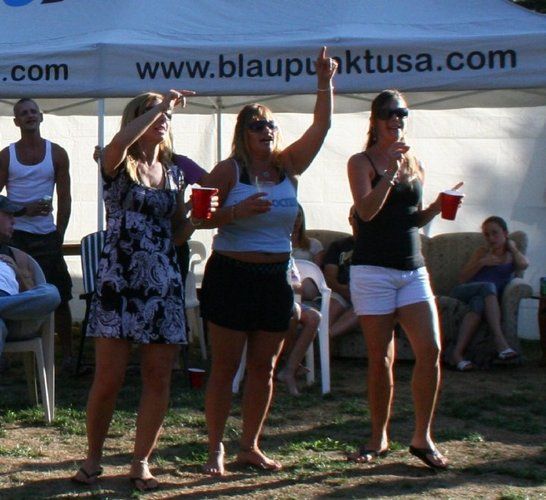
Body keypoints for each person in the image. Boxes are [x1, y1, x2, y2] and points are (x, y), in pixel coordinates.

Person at [198, 46, 337, 476]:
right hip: (232, 276)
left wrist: (324, 83)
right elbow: (196, 218)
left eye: (271, 125)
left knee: (265, 367)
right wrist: (235, 212)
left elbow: (322, 127)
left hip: (275, 277)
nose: (267, 131)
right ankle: (215, 449)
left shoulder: (287, 167)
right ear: (243, 134)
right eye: (258, 125)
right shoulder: (229, 171)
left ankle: (250, 446)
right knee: (225, 368)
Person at [72, 89, 201, 492]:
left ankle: (141, 461)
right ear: (135, 119)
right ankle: (93, 459)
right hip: (119, 283)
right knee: (108, 378)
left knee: (158, 377)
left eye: (166, 115)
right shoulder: (116, 162)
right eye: (151, 113)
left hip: (162, 284)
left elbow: (175, 235)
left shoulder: (174, 172)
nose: (162, 119)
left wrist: (196, 220)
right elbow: (117, 144)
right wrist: (161, 105)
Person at [347, 89, 458, 470]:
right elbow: (366, 211)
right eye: (389, 113)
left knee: (431, 350)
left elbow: (411, 218)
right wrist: (390, 173)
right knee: (381, 358)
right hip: (373, 270)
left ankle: (422, 437)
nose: (396, 119)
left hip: (412, 269)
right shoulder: (361, 162)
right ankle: (378, 436)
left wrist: (436, 207)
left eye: (402, 114)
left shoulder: (414, 161)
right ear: (375, 120)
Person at [0, 98, 74, 373]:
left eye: (33, 111)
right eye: (24, 113)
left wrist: (59, 233)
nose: (30, 116)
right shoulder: (6, 155)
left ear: (41, 117)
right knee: (12, 291)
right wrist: (22, 210)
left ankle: (67, 357)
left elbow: (65, 198)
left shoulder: (57, 153)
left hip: (46, 235)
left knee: (61, 295)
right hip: (15, 236)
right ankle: (10, 354)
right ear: (16, 121)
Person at [448, 216, 528, 371]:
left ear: (505, 233)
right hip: (465, 291)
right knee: (488, 286)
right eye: (487, 234)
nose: (491, 238)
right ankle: (500, 342)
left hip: (484, 298)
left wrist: (513, 247)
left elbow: (524, 265)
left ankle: (457, 355)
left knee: (478, 304)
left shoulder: (511, 255)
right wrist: (482, 263)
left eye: (495, 233)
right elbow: (462, 279)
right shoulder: (482, 252)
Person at [0, 195, 60, 359]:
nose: (14, 222)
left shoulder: (18, 256)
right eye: (9, 215)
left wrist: (19, 274)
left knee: (51, 293)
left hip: (14, 316)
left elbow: (31, 294)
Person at [276, 258, 322, 396]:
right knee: (291, 314)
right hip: (264, 303)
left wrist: (289, 284)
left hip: (287, 301)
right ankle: (290, 364)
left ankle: (289, 370)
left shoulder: (287, 257)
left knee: (314, 317)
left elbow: (297, 284)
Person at [322, 206, 359, 338]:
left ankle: (326, 336)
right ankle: (323, 337)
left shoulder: (377, 246)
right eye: (356, 216)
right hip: (341, 291)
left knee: (366, 305)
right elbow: (330, 278)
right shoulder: (339, 246)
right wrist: (344, 290)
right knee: (331, 305)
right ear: (350, 220)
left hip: (366, 294)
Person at [291, 203, 324, 300]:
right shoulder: (278, 245)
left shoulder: (314, 244)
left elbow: (317, 272)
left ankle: (295, 304)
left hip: (307, 283)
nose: (296, 220)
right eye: (292, 215)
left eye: (298, 216)